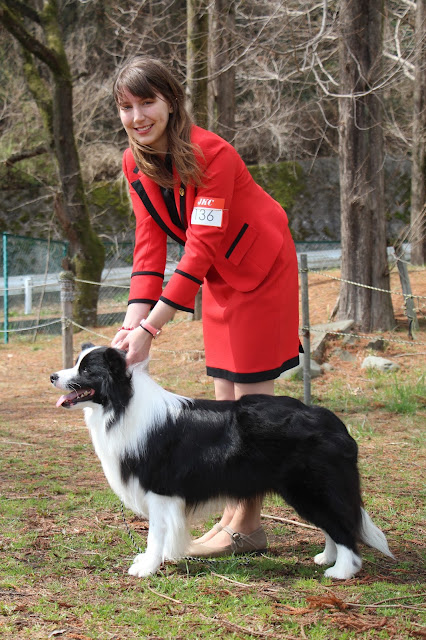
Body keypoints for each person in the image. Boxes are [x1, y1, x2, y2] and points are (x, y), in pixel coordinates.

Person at [111, 56, 301, 558]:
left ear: (171, 101)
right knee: (225, 405)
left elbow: (200, 246)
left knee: (252, 407)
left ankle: (248, 525)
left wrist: (153, 328)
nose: (137, 117)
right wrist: (130, 326)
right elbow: (149, 247)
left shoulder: (212, 153)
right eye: (126, 107)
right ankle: (231, 516)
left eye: (147, 102)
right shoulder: (134, 163)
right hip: (218, 275)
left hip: (260, 268)